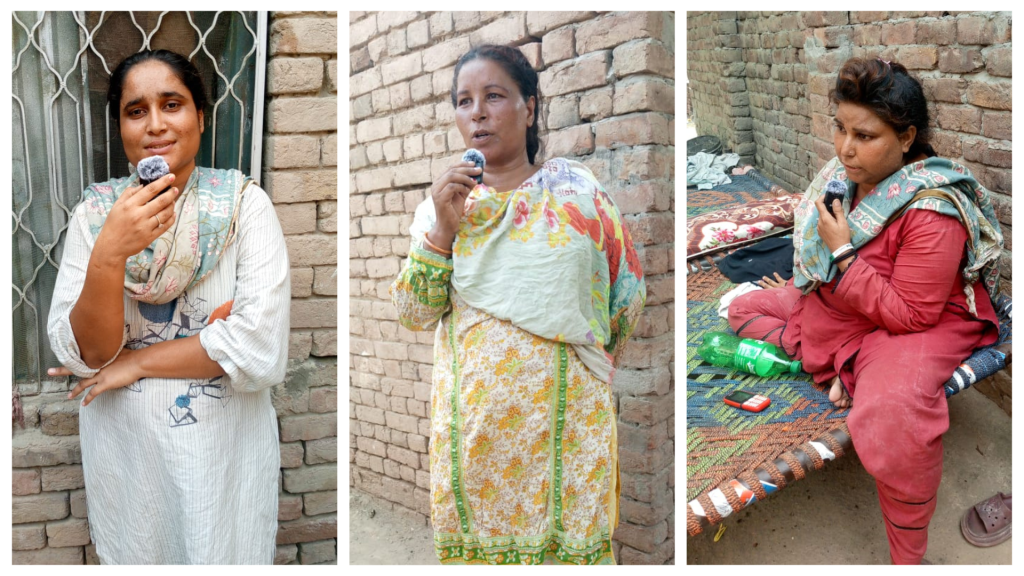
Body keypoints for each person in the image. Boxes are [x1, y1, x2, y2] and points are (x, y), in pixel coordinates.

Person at [727, 57, 1005, 566]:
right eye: (840, 128)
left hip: (916, 322)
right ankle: (842, 358)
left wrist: (842, 253)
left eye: (865, 135)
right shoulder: (845, 176)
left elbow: (911, 314)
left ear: (906, 138)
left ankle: (908, 556)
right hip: (843, 301)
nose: (845, 148)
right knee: (743, 307)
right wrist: (824, 272)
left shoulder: (932, 209)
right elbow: (820, 258)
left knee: (893, 414)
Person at [389, 44, 647, 566]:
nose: (477, 112)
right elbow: (413, 312)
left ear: (529, 107)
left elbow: (626, 296)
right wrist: (443, 228)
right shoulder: (444, 207)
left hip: (570, 429)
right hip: (478, 434)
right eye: (464, 101)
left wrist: (582, 361)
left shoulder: (577, 194)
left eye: (494, 96)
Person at [43, 49, 290, 565]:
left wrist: (133, 363)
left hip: (222, 464)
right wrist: (111, 252)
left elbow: (258, 347)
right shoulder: (95, 215)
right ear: (120, 128)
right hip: (130, 467)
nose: (155, 125)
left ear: (201, 116)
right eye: (136, 111)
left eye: (172, 104)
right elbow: (88, 354)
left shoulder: (245, 207)